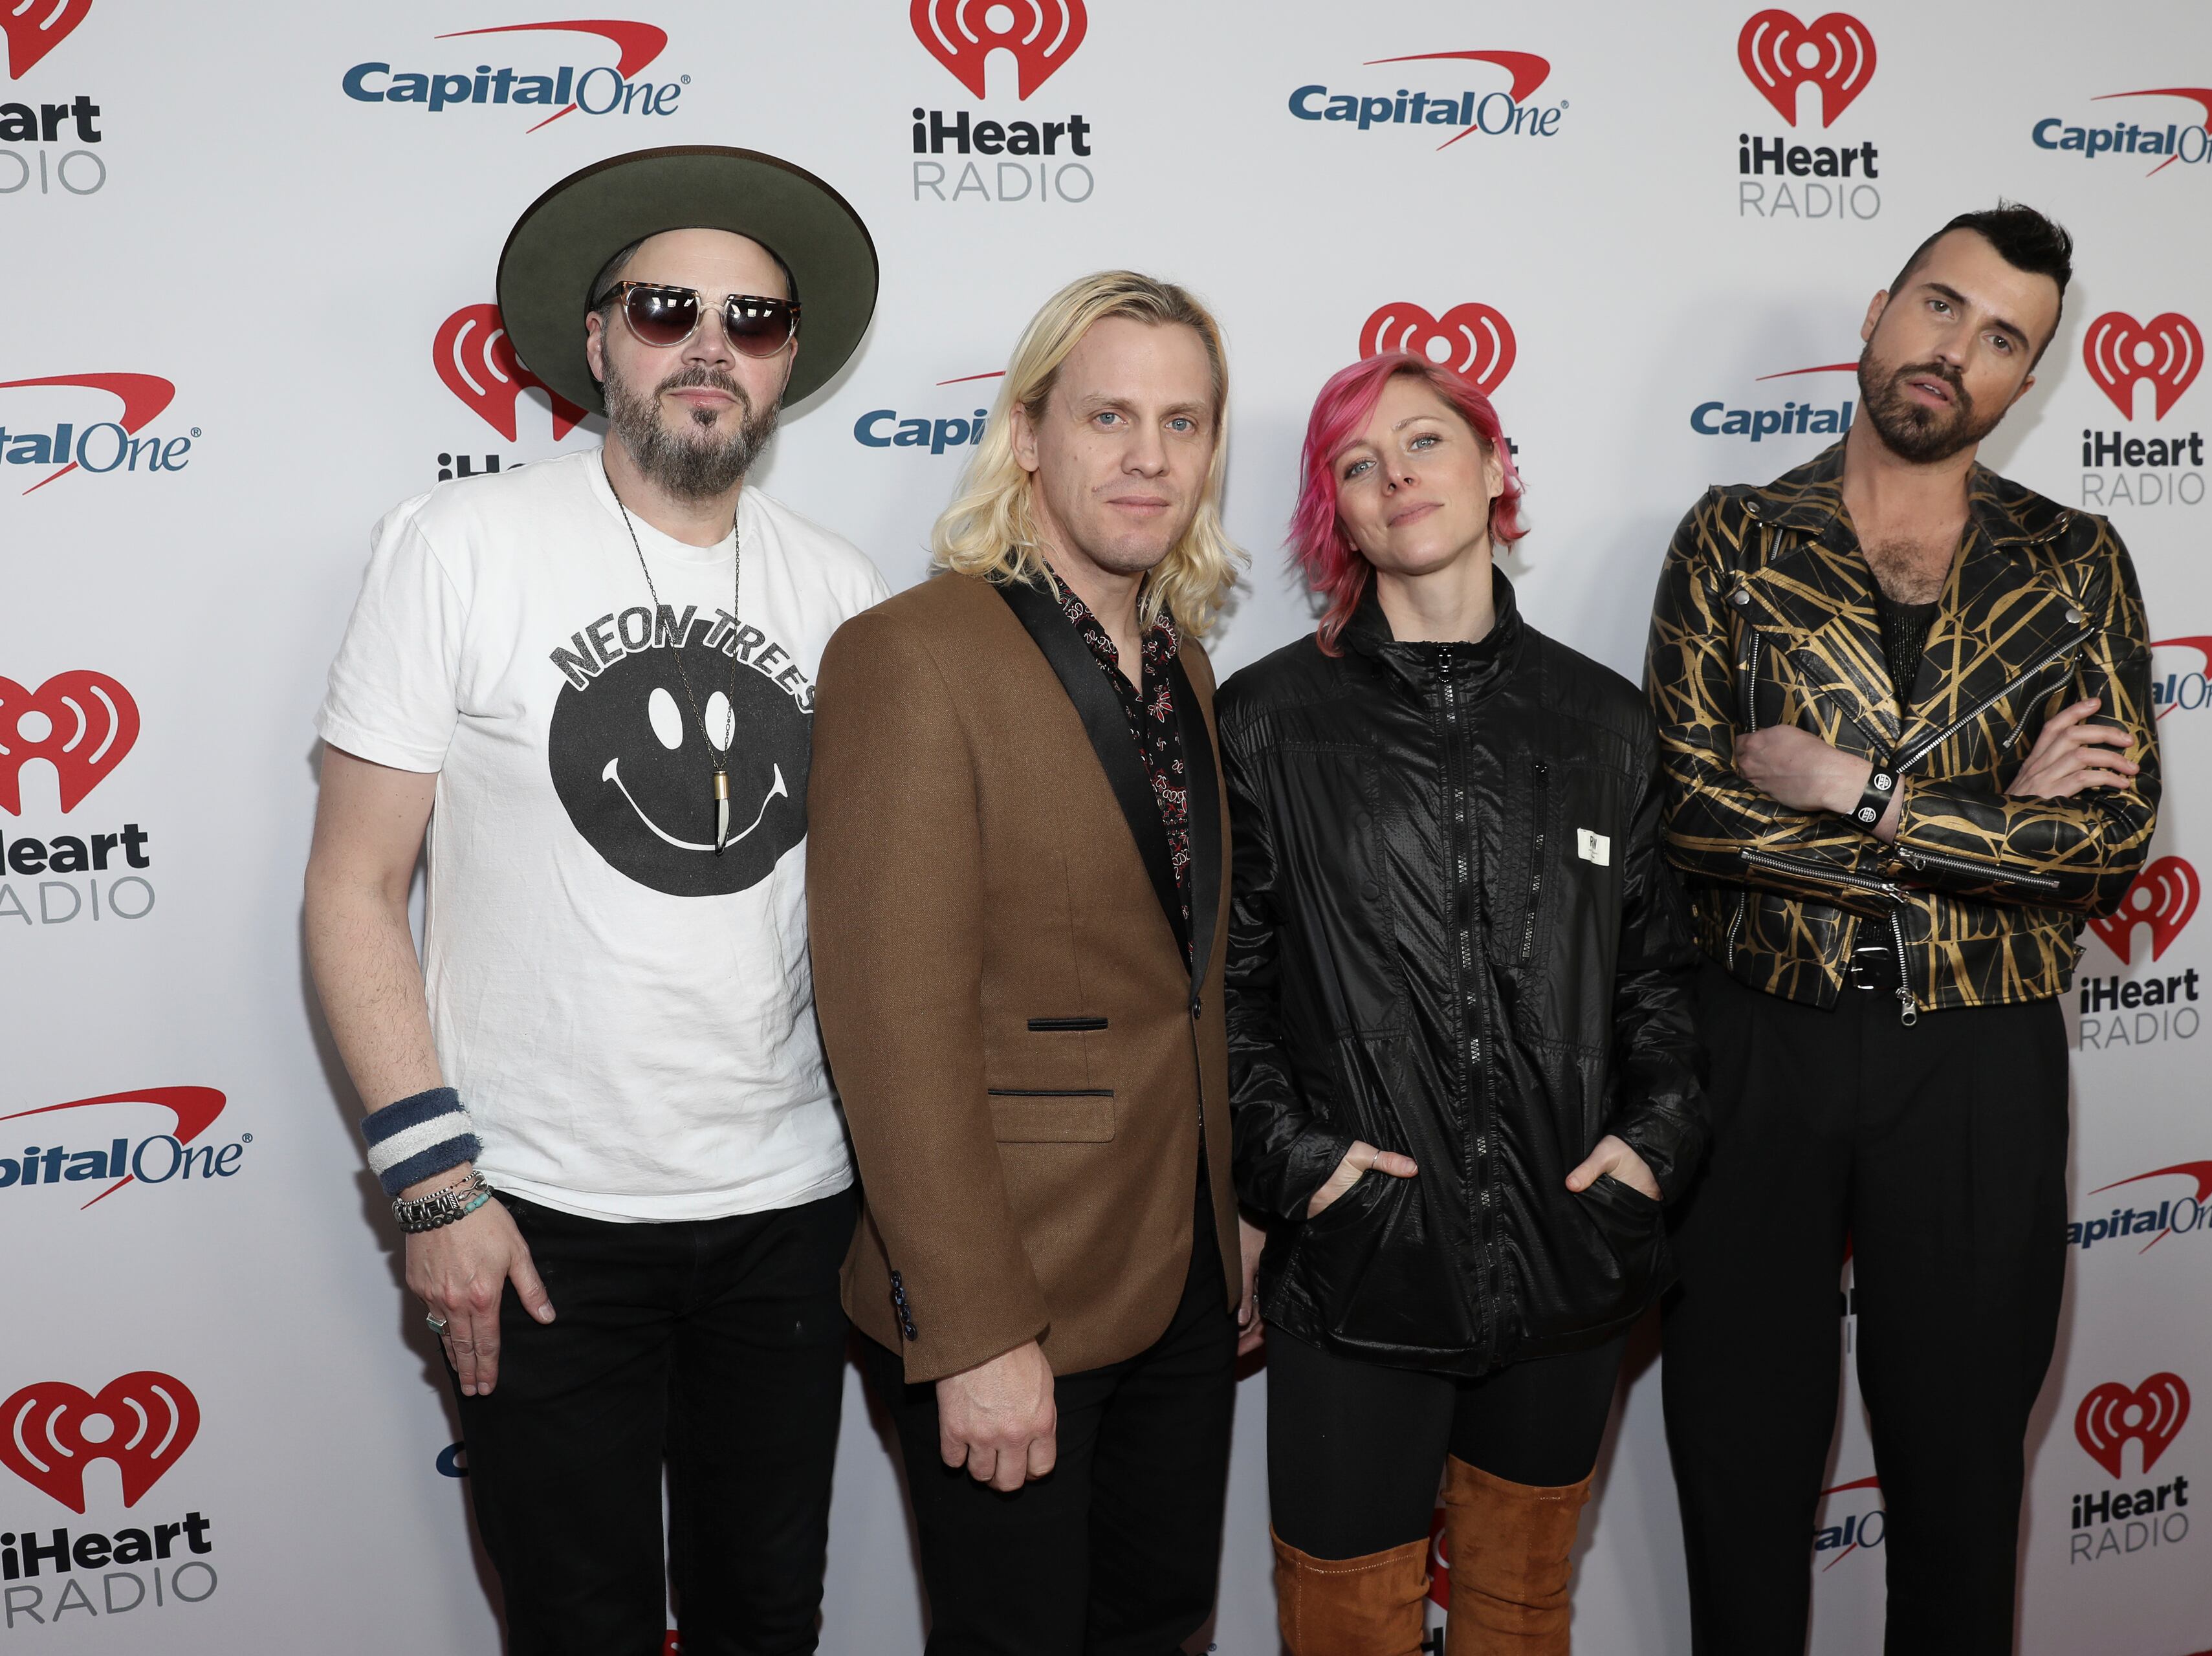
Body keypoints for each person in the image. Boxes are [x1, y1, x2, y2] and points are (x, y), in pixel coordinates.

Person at [304, 146, 885, 1653]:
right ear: (597, 336)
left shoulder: (847, 592)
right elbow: (356, 887)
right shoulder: (459, 545)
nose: (711, 345)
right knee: (578, 1623)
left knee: (772, 1616)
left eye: (752, 320)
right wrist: (434, 1189)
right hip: (535, 1213)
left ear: (789, 362)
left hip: (787, 1207)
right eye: (668, 307)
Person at [1645, 203, 2161, 1653]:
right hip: (1759, 1043)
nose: (1958, 349)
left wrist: (1854, 788)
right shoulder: (1737, 536)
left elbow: (2107, 843)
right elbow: (1697, 814)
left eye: (2005, 338)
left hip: (1981, 1065)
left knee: (1959, 1477)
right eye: (1941, 306)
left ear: (2027, 381)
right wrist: (1996, 819)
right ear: (1879, 311)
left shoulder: (2078, 562)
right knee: (1739, 1466)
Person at [1221, 352, 1708, 1655]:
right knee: (1345, 1627)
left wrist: (1651, 1149)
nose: (1397, 478)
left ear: (1497, 468)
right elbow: (1223, 990)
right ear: (1339, 510)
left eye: (1425, 441)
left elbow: (1664, 974)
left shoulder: (1607, 719)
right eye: (1357, 463)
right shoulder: (1264, 718)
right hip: (1362, 1262)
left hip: (1570, 1252)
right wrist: (1305, 1168)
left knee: (1519, 1605)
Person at [807, 270, 1250, 1655]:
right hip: (1011, 1288)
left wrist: (1230, 1210)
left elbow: (1187, 977)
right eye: (1109, 414)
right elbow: (893, 1024)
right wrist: (976, 1328)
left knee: (1159, 1623)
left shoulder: (1183, 663)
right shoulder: (910, 655)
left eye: (1183, 423)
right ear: (1026, 435)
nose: (1148, 455)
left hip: (1182, 1270)